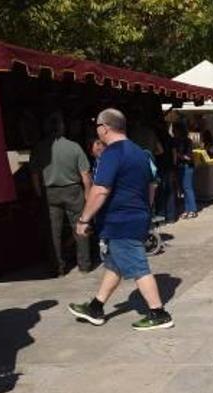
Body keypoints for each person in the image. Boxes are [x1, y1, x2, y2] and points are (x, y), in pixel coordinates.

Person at [68, 108, 174, 331]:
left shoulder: (112, 153)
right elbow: (149, 186)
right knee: (115, 265)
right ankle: (96, 307)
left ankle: (158, 312)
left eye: (97, 127)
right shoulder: (138, 152)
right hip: (136, 216)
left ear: (104, 128)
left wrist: (84, 219)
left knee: (137, 266)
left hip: (121, 220)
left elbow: (100, 190)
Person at [30, 113, 93, 276]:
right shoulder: (74, 147)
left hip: (50, 192)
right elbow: (86, 175)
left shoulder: (39, 147)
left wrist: (39, 194)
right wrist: (87, 195)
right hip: (73, 190)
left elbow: (35, 175)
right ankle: (84, 265)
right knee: (80, 226)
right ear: (62, 127)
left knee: (53, 232)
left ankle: (58, 268)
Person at [172, 122, 197, 219]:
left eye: (175, 130)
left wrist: (179, 155)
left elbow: (189, 157)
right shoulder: (176, 141)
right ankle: (187, 210)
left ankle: (193, 210)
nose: (174, 132)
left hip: (187, 166)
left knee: (188, 188)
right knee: (183, 189)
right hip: (180, 167)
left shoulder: (188, 141)